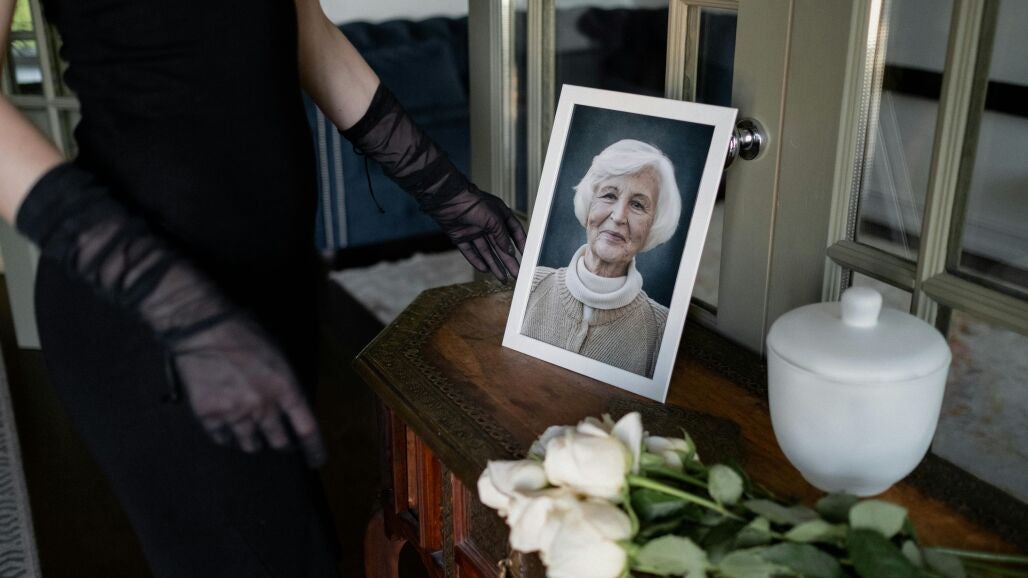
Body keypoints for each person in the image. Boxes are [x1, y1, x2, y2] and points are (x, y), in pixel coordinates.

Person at [0, 0, 525, 576]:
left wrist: (444, 191)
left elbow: (308, 30)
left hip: (275, 284)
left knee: (290, 541)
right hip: (149, 309)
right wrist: (181, 309)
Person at [521, 139, 680, 378]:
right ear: (588, 204)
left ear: (654, 225)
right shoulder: (529, 285)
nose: (618, 216)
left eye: (637, 205)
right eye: (609, 195)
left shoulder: (662, 329)